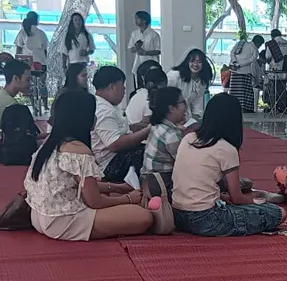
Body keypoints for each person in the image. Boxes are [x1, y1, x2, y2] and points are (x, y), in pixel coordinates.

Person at [24, 90, 152, 241]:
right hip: (64, 221)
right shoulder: (79, 151)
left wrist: (117, 187)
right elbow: (95, 201)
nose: (96, 117)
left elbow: (75, 184)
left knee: (115, 198)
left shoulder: (49, 143)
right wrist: (128, 198)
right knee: (143, 216)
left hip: (39, 217)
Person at [172, 93, 287, 237]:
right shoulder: (226, 148)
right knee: (278, 213)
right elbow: (236, 198)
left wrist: (220, 196)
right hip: (207, 219)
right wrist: (257, 204)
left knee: (246, 187)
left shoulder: (188, 138)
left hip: (177, 216)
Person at [91, 66, 150, 182]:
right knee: (151, 153)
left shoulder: (106, 105)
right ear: (112, 87)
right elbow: (114, 144)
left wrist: (145, 128)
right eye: (122, 85)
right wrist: (147, 131)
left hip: (116, 157)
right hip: (109, 164)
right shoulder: (103, 110)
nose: (124, 89)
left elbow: (123, 129)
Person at [141, 86, 186, 201]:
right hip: (163, 185)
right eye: (182, 102)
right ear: (172, 108)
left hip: (149, 181)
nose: (185, 107)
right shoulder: (171, 135)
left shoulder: (156, 126)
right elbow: (185, 164)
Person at [14, 12, 49, 111]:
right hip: (40, 62)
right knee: (42, 83)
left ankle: (34, 107)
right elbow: (45, 49)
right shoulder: (41, 33)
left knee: (28, 83)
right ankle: (45, 106)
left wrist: (17, 61)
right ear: (36, 20)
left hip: (27, 62)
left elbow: (18, 48)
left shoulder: (22, 33)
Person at [167, 48, 213, 122]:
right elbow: (165, 98)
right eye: (192, 61)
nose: (195, 64)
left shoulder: (202, 82)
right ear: (187, 62)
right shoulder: (175, 76)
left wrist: (193, 121)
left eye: (199, 62)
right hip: (169, 113)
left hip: (185, 116)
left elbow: (197, 104)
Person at [229, 35, 264, 113]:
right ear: (258, 43)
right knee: (246, 92)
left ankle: (233, 106)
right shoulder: (255, 50)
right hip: (245, 72)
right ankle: (246, 108)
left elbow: (232, 52)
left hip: (234, 70)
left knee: (235, 91)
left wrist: (235, 62)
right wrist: (240, 64)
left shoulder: (240, 43)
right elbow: (251, 60)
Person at [127, 11, 161, 88]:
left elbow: (159, 50)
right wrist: (137, 47)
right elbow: (131, 49)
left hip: (151, 64)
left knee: (152, 86)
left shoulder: (154, 35)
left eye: (137, 18)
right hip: (138, 63)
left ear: (144, 20)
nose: (135, 20)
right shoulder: (134, 34)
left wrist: (146, 52)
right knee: (138, 87)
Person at [264, 29, 287, 114]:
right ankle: (283, 107)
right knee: (283, 89)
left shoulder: (271, 44)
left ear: (272, 36)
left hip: (274, 70)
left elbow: (268, 57)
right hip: (285, 70)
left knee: (273, 89)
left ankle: (273, 107)